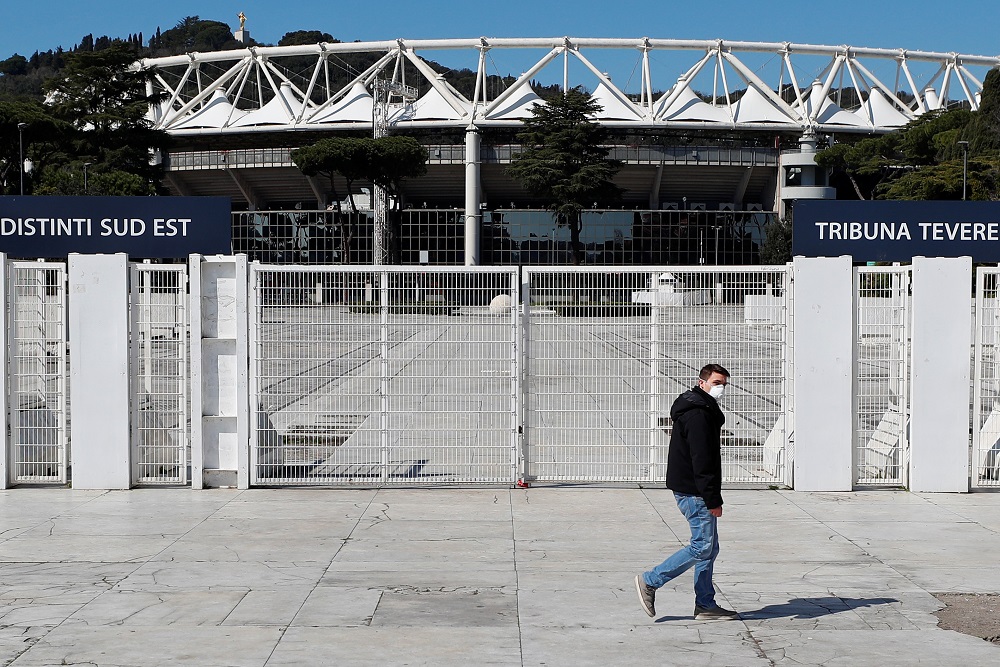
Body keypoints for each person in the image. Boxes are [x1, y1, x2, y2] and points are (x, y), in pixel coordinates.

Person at [635, 363, 739, 621]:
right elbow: (702, 460)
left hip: (692, 488)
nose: (721, 388)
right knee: (702, 546)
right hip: (695, 491)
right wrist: (712, 498)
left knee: (709, 547)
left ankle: (705, 604)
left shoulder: (700, 408)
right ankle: (650, 581)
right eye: (716, 383)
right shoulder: (699, 415)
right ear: (702, 382)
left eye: (724, 384)